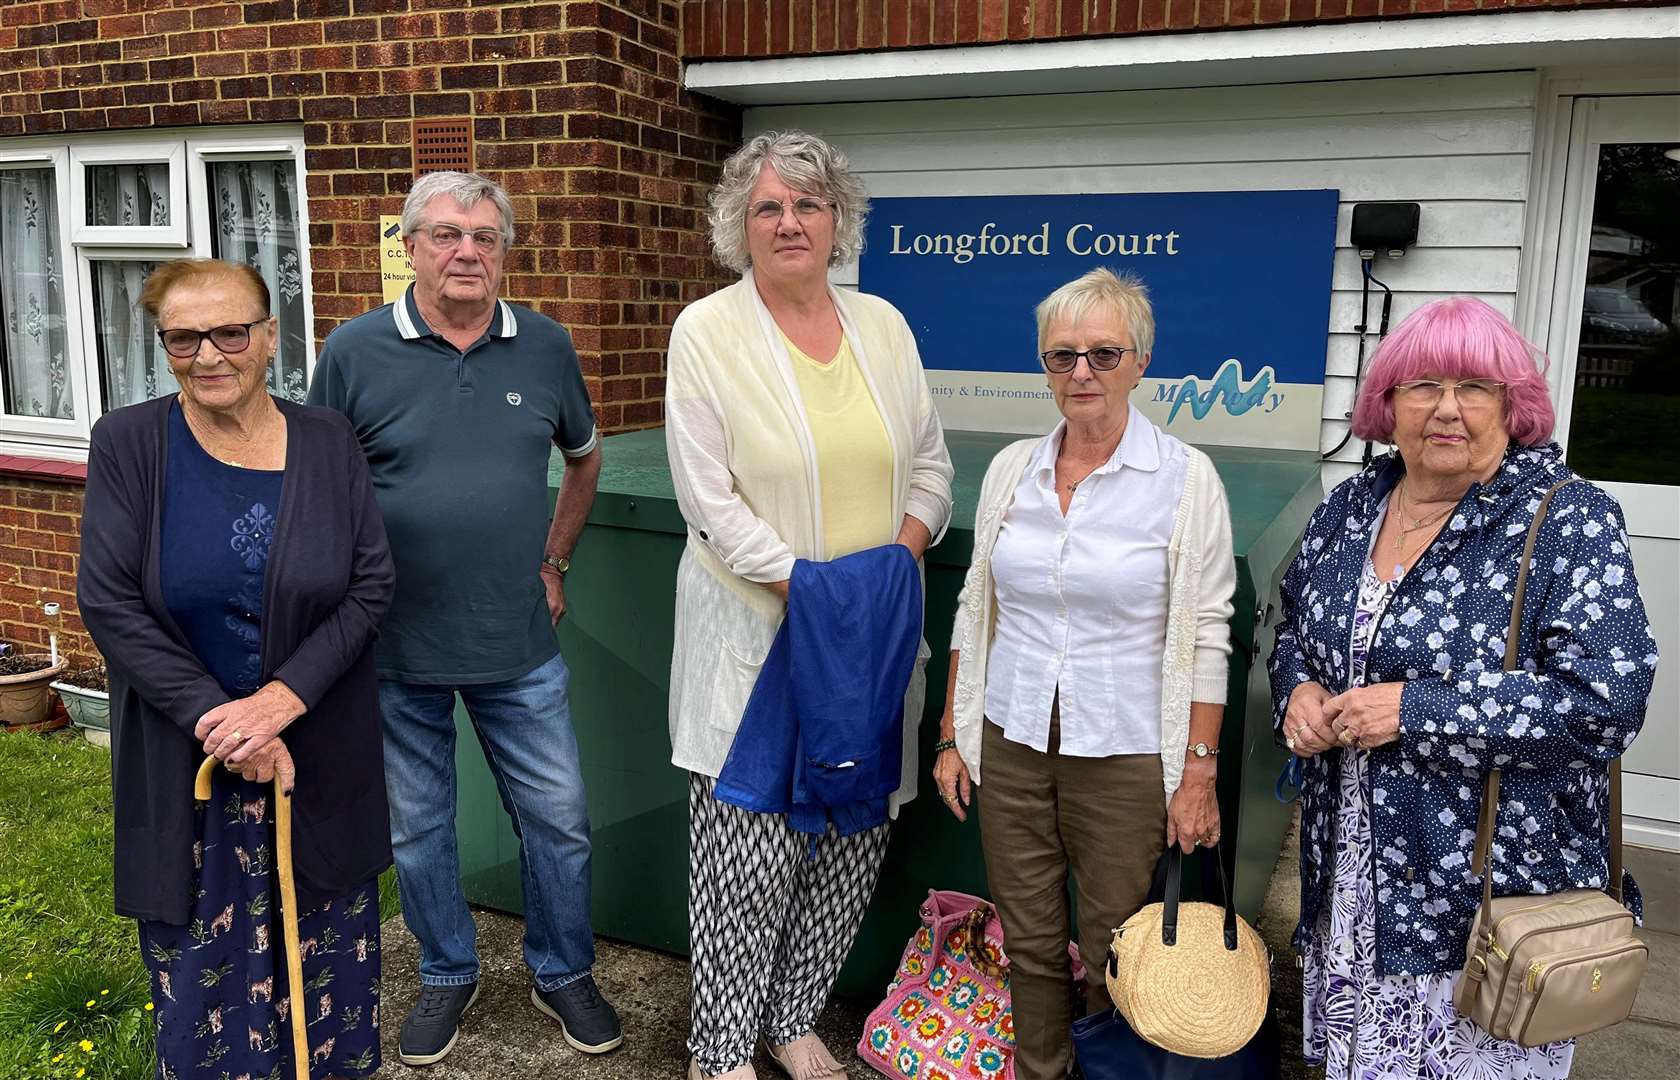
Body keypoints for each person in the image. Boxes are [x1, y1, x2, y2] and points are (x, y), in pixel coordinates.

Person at [1268, 296, 1657, 1080]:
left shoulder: (1566, 520)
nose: (1447, 408)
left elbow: (1606, 701)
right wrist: (1300, 694)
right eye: (1423, 386)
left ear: (1514, 407)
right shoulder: (1351, 507)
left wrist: (1415, 709)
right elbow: (1291, 631)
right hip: (1352, 875)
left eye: (1475, 386)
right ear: (1388, 403)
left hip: (1482, 901)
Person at [306, 170, 620, 1061]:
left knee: (557, 816)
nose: (465, 252)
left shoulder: (546, 346)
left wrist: (554, 561)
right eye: (445, 234)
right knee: (420, 826)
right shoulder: (355, 350)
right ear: (408, 247)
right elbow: (322, 485)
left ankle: (563, 970)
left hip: (516, 639)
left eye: (485, 237)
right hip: (392, 641)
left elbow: (585, 459)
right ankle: (446, 972)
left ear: (506, 252)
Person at [664, 130, 954, 1080]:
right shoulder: (707, 333)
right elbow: (709, 504)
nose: (790, 222)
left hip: (869, 644)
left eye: (809, 204)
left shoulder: (886, 326)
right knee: (746, 862)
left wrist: (893, 566)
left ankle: (793, 1020)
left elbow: (933, 471)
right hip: (762, 640)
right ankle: (719, 1052)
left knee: (849, 844)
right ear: (739, 227)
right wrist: (816, 591)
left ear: (839, 221)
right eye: (768, 208)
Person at [78, 258, 395, 1080]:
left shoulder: (328, 440)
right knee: (202, 982)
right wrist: (228, 724)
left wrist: (281, 702)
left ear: (269, 336)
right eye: (183, 338)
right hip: (190, 761)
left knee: (330, 973)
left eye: (229, 332)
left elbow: (370, 584)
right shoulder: (129, 444)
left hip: (314, 751)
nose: (208, 354)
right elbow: (110, 602)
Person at [933, 267, 1236, 1079]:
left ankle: (1113, 1074)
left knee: (1118, 947)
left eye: (1104, 354)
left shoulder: (1183, 480)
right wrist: (953, 734)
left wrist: (1198, 774)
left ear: (1141, 362)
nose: (1082, 374)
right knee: (1029, 939)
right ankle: (1041, 1071)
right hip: (1015, 738)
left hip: (1126, 752)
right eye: (1062, 356)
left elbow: (1209, 634)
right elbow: (976, 606)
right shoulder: (1011, 472)